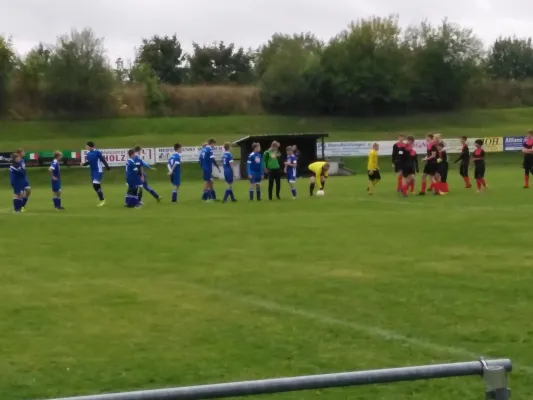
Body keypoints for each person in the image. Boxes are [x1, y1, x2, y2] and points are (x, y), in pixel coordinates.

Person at [83, 141, 110, 206]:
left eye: (86, 146)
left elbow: (102, 159)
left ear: (90, 146)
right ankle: (102, 199)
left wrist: (107, 167)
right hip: (92, 171)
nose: (86, 147)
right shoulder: (88, 154)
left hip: (98, 170)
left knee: (95, 184)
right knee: (96, 186)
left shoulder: (97, 152)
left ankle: (102, 199)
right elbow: (89, 162)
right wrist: (84, 164)